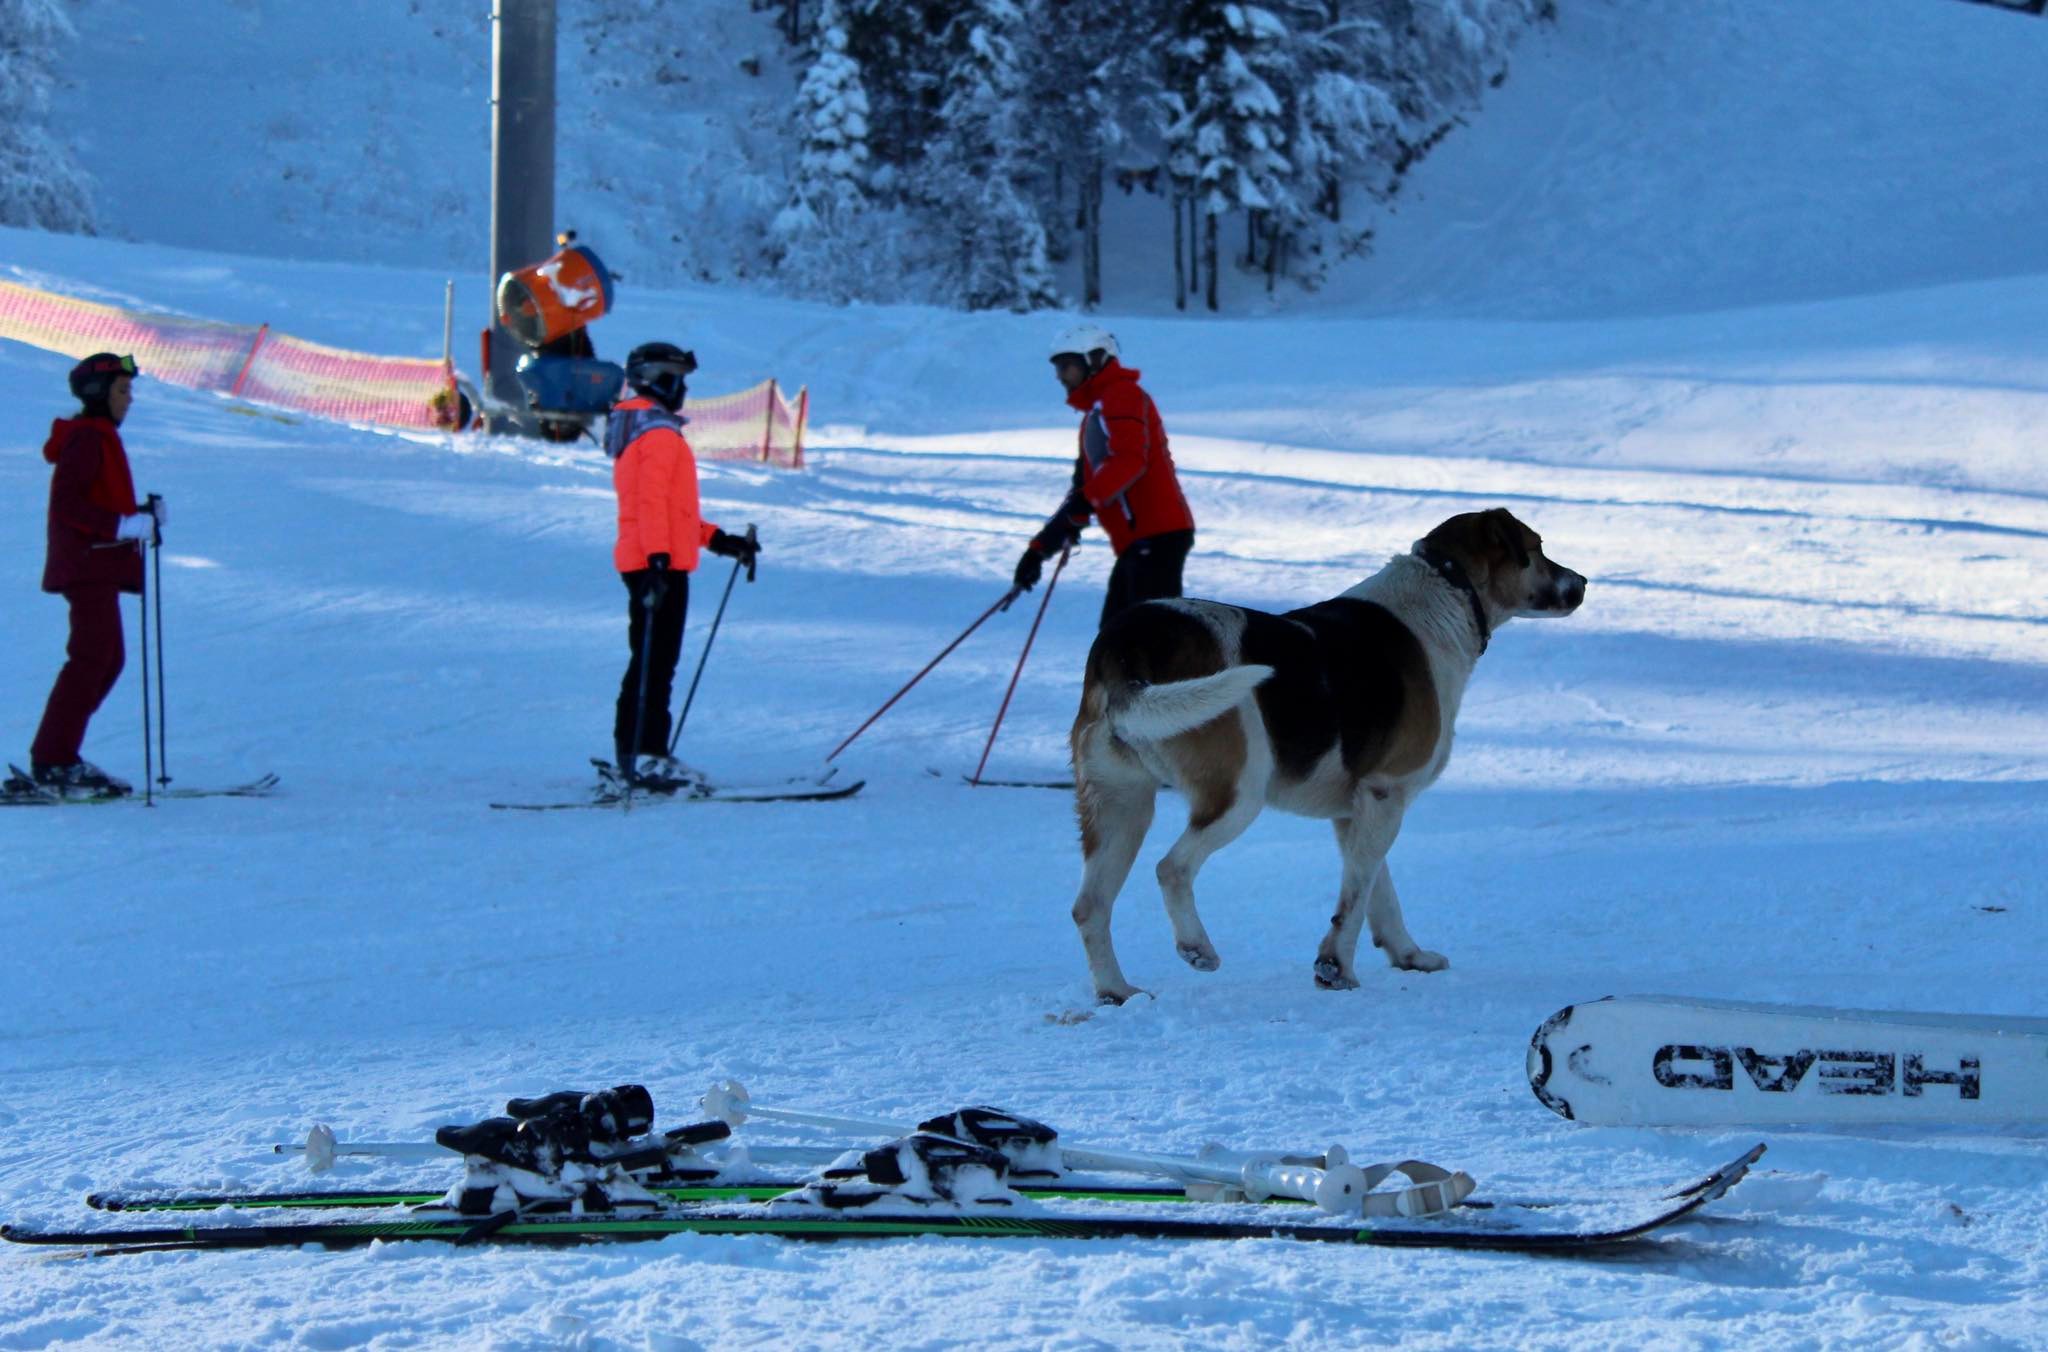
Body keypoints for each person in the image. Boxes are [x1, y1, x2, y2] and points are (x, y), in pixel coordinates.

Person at [607, 341, 760, 784]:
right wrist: (658, 561)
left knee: (651, 660)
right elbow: (652, 504)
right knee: (654, 664)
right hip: (657, 565)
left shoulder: (645, 428)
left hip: (655, 560)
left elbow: (672, 512)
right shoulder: (656, 434)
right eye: (678, 380)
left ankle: (636, 754)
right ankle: (645, 754)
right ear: (658, 379)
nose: (683, 391)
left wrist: (719, 540)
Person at [28, 352, 164, 795]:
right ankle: (53, 760)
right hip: (88, 564)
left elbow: (97, 499)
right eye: (122, 391)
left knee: (106, 660)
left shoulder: (98, 435)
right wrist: (123, 525)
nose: (129, 400)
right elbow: (70, 504)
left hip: (96, 563)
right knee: (92, 660)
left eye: (129, 391)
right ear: (98, 394)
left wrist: (141, 516)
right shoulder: (87, 438)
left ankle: (59, 755)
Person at [1013, 325, 1194, 629]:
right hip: (1140, 541)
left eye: (1067, 366)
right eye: (1058, 367)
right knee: (1119, 640)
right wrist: (1040, 548)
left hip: (1157, 534)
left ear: (1094, 360)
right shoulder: (1095, 413)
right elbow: (1082, 491)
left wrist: (1085, 502)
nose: (1060, 376)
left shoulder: (1122, 395)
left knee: (1141, 642)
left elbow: (1129, 460)